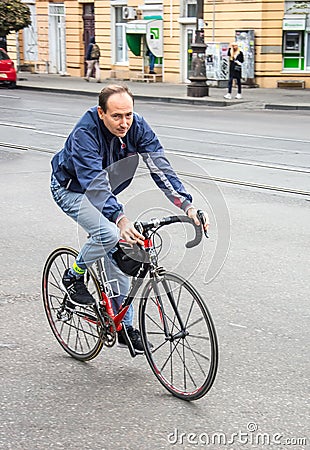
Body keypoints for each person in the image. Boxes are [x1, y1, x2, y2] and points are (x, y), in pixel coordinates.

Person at [50, 84, 209, 354]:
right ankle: (74, 275)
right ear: (101, 113)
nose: (124, 123)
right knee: (110, 234)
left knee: (123, 257)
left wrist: (187, 205)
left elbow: (160, 166)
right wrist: (120, 220)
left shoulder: (137, 127)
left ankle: (125, 326)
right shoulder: (84, 134)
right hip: (72, 190)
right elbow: (94, 183)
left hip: (105, 194)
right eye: (116, 116)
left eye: (129, 115)